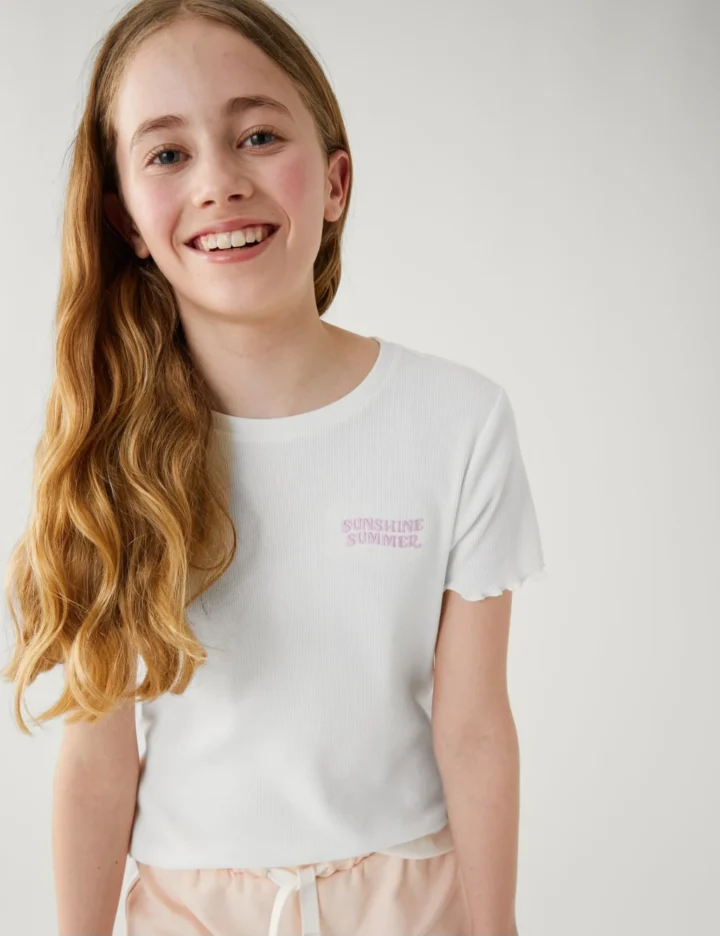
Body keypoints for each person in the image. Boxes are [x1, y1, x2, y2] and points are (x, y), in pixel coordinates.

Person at [1, 1, 546, 934]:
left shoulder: (458, 420)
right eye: (167, 154)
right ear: (126, 220)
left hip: (415, 907)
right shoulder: (109, 446)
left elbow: (475, 729)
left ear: (335, 182)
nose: (219, 182)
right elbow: (96, 761)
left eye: (257, 136)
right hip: (188, 913)